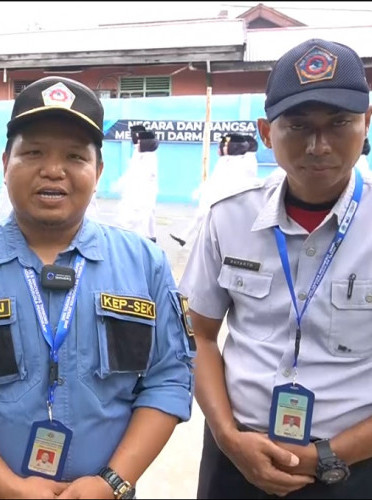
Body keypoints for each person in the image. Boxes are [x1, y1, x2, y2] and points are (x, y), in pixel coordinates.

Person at [0, 76, 195, 499]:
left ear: (97, 171)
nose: (53, 170)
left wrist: (111, 483)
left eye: (75, 156)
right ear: (5, 162)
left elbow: (169, 379)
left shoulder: (144, 265)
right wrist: (6, 487)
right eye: (34, 152)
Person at [179, 38, 372, 498]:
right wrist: (227, 435)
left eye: (340, 123)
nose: (319, 145)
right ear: (267, 132)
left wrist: (331, 454)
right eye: (298, 125)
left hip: (354, 467)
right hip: (237, 457)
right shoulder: (228, 218)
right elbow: (199, 334)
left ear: (366, 124)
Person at [169, 132, 257, 248]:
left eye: (226, 145)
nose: (223, 147)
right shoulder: (225, 161)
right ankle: (185, 238)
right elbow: (214, 179)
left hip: (221, 200)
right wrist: (201, 190)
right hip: (212, 196)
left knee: (208, 222)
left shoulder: (243, 162)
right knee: (200, 218)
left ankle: (193, 240)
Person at [113, 125, 159, 242]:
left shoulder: (147, 157)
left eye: (139, 141)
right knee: (144, 220)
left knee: (140, 219)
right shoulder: (140, 154)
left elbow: (139, 177)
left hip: (142, 194)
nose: (137, 143)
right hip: (139, 193)